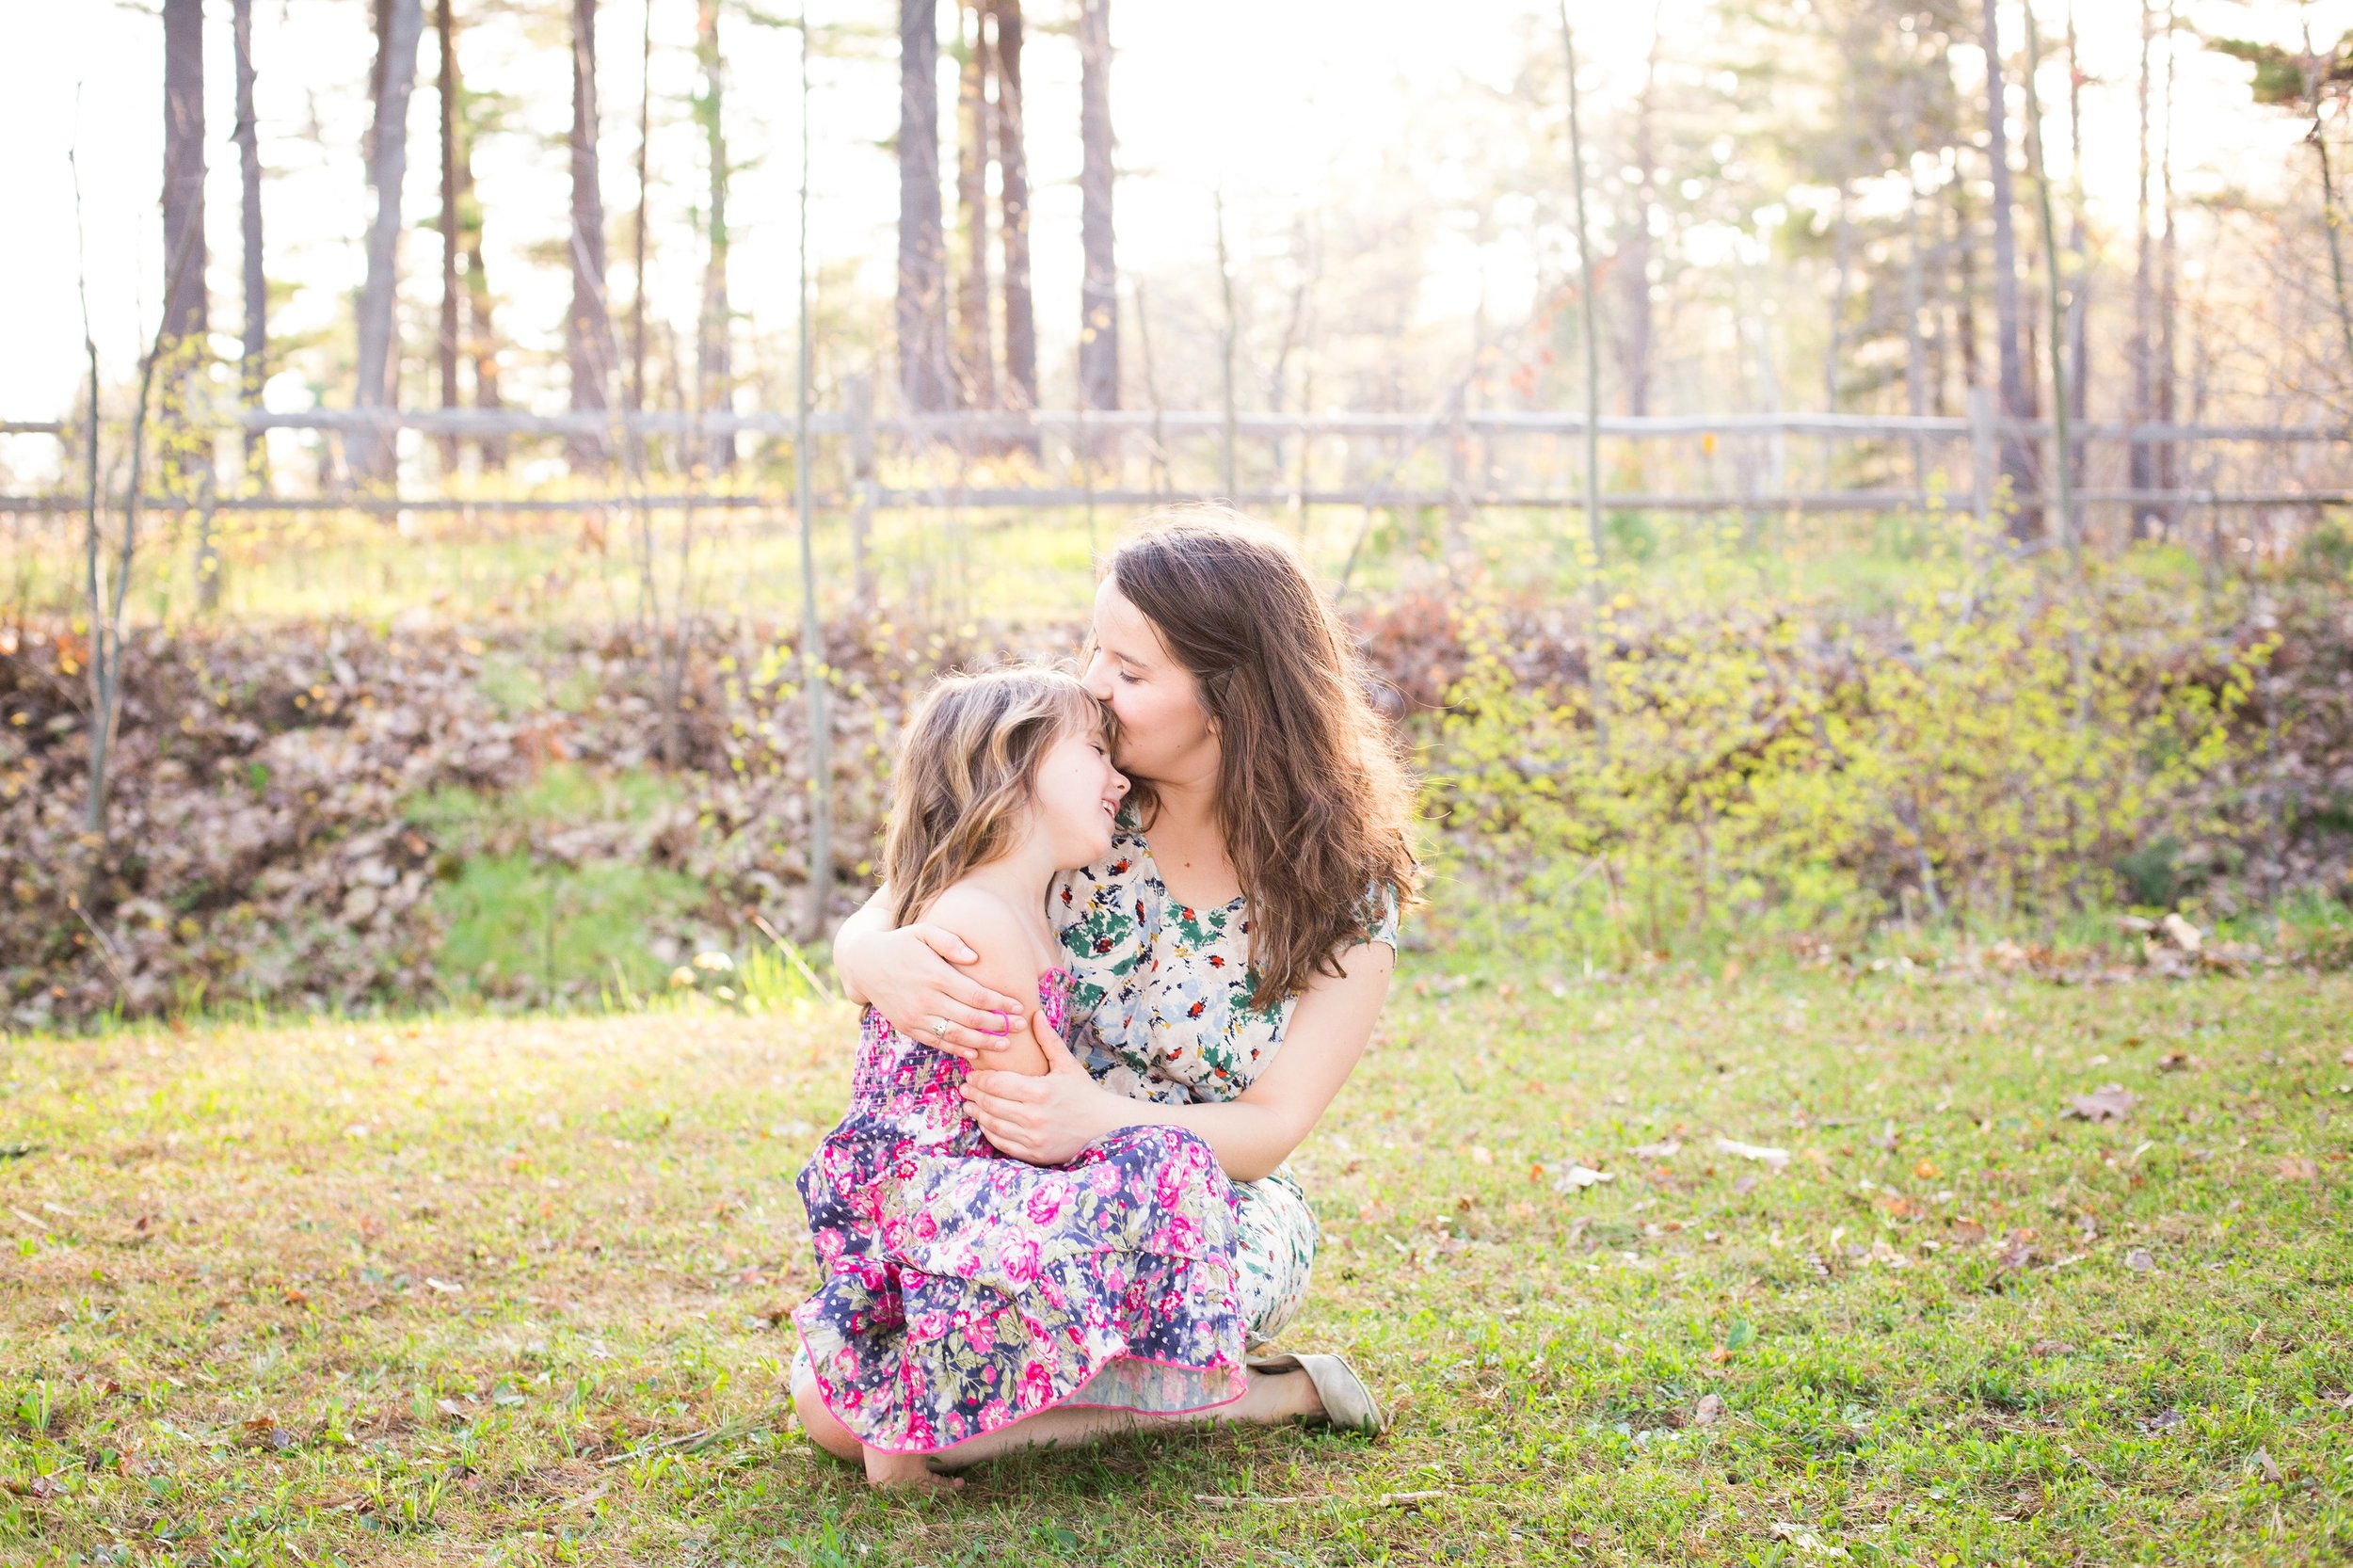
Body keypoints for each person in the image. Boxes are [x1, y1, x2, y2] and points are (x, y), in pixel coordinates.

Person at [809, 510, 1417, 1470]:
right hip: (1015, 1186)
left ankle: (1250, 1392)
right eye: (1096, 646)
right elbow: (891, 909)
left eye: (1130, 673)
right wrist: (871, 960)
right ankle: (1185, 1389)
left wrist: (1096, 1118)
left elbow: (1272, 1123)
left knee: (882, 1414)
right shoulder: (1081, 793)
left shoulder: (1342, 884)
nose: (1093, 681)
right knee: (832, 1406)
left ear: (1232, 700)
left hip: (1200, 1194)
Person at [791, 667, 1251, 1490]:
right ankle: (907, 1427)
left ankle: (918, 1416)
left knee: (1150, 1166)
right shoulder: (981, 923)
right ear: (1017, 763)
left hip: (956, 1191)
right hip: (941, 1199)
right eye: (1096, 754)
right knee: (1165, 1167)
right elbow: (1017, 1125)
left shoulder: (1016, 906)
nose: (1118, 779)